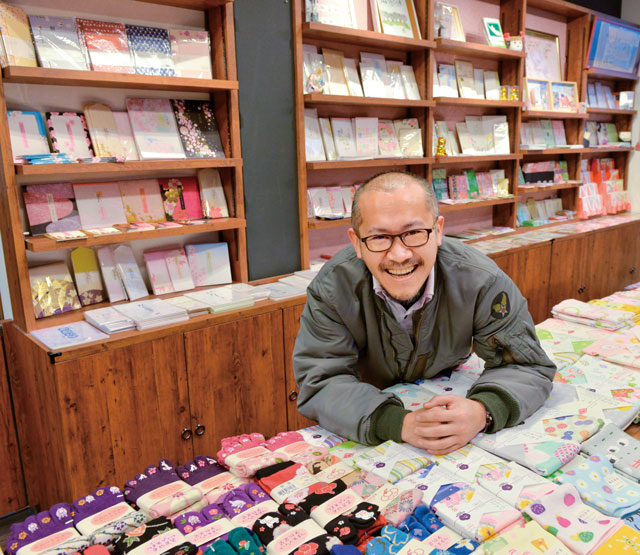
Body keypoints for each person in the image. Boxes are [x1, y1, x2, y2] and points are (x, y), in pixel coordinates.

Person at [293, 171, 556, 455]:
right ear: (357, 243)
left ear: (438, 230)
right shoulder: (333, 288)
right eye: (379, 237)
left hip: (448, 392)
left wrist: (483, 410)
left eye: (414, 233)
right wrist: (399, 423)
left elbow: (527, 365)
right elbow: (322, 381)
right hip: (365, 414)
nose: (399, 255)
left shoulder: (480, 280)